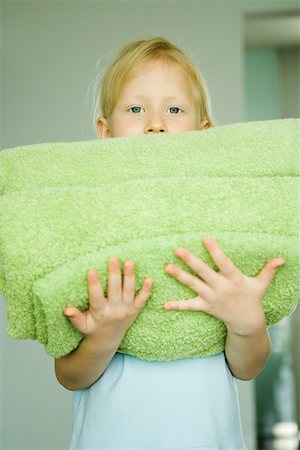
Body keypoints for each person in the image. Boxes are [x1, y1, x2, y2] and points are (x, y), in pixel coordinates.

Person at [55, 37, 285, 450]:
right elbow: (68, 375)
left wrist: (247, 320)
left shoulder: (221, 231)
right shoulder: (89, 232)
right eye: (136, 109)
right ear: (105, 132)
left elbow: (248, 368)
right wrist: (105, 333)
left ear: (204, 132)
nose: (155, 124)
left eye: (174, 109)